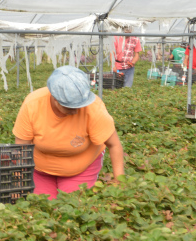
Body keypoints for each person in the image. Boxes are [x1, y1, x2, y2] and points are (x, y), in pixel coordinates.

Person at [13, 66, 125, 199]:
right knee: (44, 207)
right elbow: (21, 149)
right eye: (70, 107)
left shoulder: (94, 108)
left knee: (72, 206)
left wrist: (120, 181)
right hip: (40, 170)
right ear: (54, 98)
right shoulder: (33, 104)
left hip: (82, 168)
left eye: (80, 106)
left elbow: (114, 145)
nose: (76, 111)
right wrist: (17, 185)